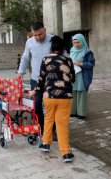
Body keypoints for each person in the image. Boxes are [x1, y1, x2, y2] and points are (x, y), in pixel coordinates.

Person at [28, 35, 76, 163]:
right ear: (63, 47)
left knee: (49, 118)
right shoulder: (68, 60)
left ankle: (45, 143)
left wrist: (34, 91)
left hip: (49, 96)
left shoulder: (46, 59)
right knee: (62, 124)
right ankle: (66, 153)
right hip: (65, 97)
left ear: (51, 47)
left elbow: (41, 79)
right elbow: (73, 78)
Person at [17, 22, 56, 139]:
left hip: (51, 79)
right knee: (37, 105)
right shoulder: (29, 42)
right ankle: (41, 128)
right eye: (36, 35)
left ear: (45, 30)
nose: (38, 37)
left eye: (40, 34)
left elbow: (63, 55)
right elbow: (25, 57)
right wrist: (20, 72)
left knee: (51, 106)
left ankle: (52, 129)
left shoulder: (53, 39)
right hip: (35, 79)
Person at [70, 34, 95, 119]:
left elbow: (91, 64)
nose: (76, 44)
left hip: (82, 76)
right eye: (74, 43)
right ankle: (73, 112)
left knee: (81, 93)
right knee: (73, 92)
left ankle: (81, 113)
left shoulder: (87, 52)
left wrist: (81, 64)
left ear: (82, 41)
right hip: (73, 75)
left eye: (78, 42)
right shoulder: (72, 50)